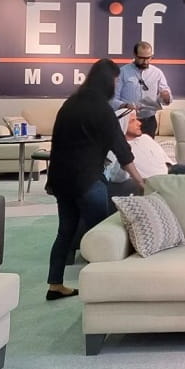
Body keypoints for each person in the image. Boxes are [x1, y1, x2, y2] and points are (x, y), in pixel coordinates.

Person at [46, 59, 141, 301]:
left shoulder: (70, 104)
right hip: (88, 180)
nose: (117, 84)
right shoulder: (102, 109)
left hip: (62, 179)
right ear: (108, 81)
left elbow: (58, 143)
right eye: (116, 80)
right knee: (102, 235)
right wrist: (141, 181)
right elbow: (122, 150)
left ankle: (55, 284)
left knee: (65, 231)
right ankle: (104, 289)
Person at [110, 41, 172, 137]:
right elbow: (112, 100)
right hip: (128, 121)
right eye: (142, 58)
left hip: (149, 122)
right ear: (135, 55)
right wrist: (125, 105)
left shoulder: (157, 73)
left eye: (148, 58)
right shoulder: (123, 72)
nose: (145, 61)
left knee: (148, 146)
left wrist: (166, 97)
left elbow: (166, 99)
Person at [103, 111, 171, 185]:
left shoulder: (145, 138)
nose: (139, 123)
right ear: (122, 125)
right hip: (148, 184)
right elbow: (115, 178)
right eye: (132, 121)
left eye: (137, 119)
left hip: (168, 177)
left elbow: (166, 161)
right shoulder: (115, 150)